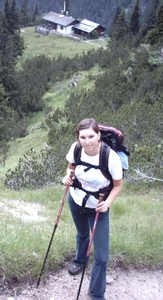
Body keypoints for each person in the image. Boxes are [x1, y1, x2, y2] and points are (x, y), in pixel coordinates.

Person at [62, 118, 123, 300]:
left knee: (102, 256)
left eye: (91, 136)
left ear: (99, 135)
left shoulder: (110, 157)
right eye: (83, 137)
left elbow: (118, 186)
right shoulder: (76, 148)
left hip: (98, 207)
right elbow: (71, 167)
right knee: (82, 234)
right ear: (78, 137)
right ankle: (80, 261)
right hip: (76, 200)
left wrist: (108, 203)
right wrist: (67, 177)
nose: (87, 141)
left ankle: (96, 294)